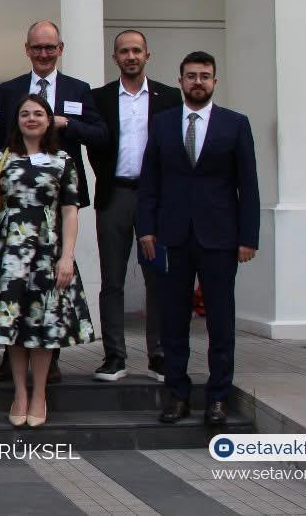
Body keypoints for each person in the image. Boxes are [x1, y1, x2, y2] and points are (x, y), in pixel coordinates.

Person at [0, 94, 95, 427]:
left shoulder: (63, 160)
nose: (31, 118)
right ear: (17, 121)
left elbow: (70, 212)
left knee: (41, 323)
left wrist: (67, 257)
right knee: (13, 322)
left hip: (47, 249)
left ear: (49, 121)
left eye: (38, 114)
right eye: (25, 114)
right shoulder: (2, 158)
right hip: (7, 251)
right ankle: (20, 392)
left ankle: (39, 394)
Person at [138, 51, 259, 429]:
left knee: (220, 320)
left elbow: (248, 186)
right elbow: (150, 180)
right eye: (191, 76)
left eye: (205, 76)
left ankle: (218, 396)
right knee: (173, 319)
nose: (198, 82)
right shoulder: (162, 123)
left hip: (220, 237)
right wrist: (146, 228)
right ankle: (177, 395)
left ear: (214, 82)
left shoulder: (235, 124)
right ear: (180, 81)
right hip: (172, 235)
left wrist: (248, 237)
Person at [0, 21, 107, 385]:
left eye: (50, 47)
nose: (43, 54)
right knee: (15, 278)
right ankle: (10, 355)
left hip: (58, 200)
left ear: (61, 49)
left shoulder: (78, 89)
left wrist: (65, 123)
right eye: (37, 48)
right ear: (26, 49)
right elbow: (0, 139)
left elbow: (100, 135)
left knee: (52, 280)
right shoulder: (10, 89)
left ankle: (51, 355)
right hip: (16, 201)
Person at [89, 30, 180, 381]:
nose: (131, 56)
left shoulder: (169, 97)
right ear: (114, 58)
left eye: (136, 51)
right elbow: (96, 145)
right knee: (112, 279)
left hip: (155, 198)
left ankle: (158, 353)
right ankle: (115, 356)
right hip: (115, 193)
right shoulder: (100, 98)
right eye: (124, 51)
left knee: (157, 276)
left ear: (147, 55)